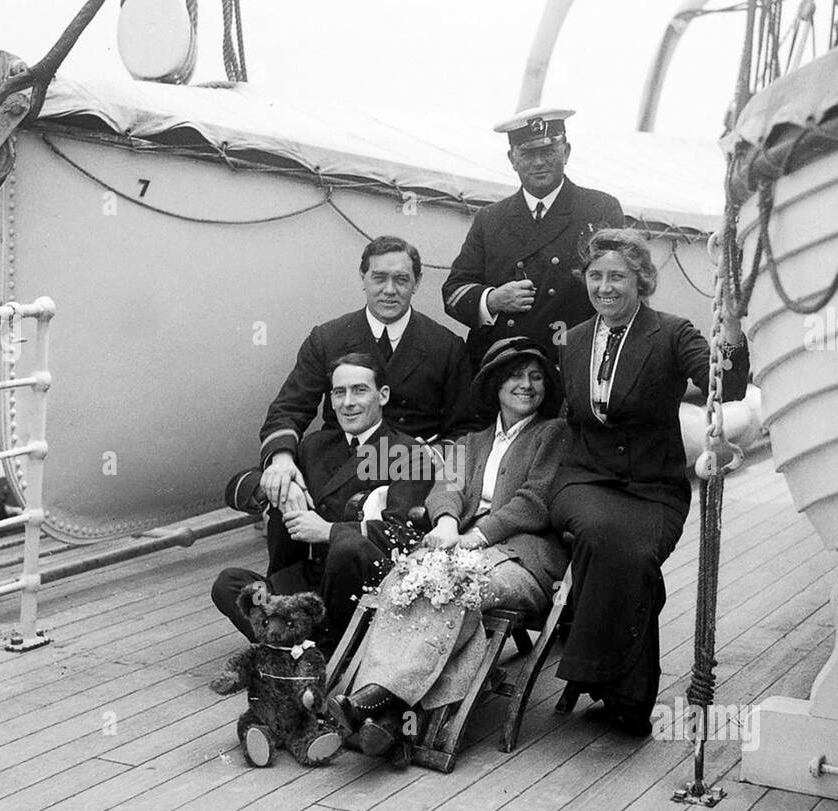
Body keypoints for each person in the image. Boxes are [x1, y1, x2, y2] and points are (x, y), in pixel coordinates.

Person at [550, 227, 749, 735]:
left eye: (617, 275)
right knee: (605, 537)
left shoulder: (672, 332)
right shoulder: (572, 341)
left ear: (642, 280)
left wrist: (729, 328)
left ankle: (603, 678)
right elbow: (569, 420)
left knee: (637, 559)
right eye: (596, 276)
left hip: (653, 487)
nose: (605, 286)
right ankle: (626, 695)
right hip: (585, 480)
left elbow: (725, 386)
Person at [330, 337, 569, 756]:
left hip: (524, 558)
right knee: (403, 580)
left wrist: (472, 539)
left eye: (535, 377)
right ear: (495, 384)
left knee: (453, 588)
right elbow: (448, 488)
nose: (527, 385)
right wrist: (444, 524)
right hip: (458, 546)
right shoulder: (470, 442)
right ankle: (394, 723)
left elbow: (534, 501)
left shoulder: (554, 435)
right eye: (515, 376)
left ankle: (379, 698)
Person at [212, 353, 433, 650]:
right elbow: (236, 489)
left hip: (360, 591)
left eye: (360, 390)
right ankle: (306, 648)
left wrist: (328, 530)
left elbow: (404, 537)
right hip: (301, 587)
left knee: (347, 548)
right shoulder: (315, 445)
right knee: (229, 584)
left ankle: (297, 647)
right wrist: (276, 485)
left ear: (383, 395)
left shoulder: (407, 453)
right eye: (339, 393)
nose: (348, 402)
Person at [258, 235, 472, 509]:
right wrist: (282, 460)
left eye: (401, 280)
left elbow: (468, 428)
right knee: (276, 494)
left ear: (417, 282)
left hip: (411, 472)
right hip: (342, 468)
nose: (389, 290)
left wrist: (432, 457)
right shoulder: (327, 338)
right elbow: (289, 408)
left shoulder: (446, 346)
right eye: (379, 278)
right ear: (363, 278)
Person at [442, 107, 625, 372]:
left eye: (548, 151)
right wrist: (492, 299)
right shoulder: (490, 218)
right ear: (512, 159)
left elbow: (620, 290)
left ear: (567, 151)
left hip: (570, 365)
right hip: (502, 369)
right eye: (527, 153)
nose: (538, 162)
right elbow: (454, 293)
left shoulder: (599, 209)